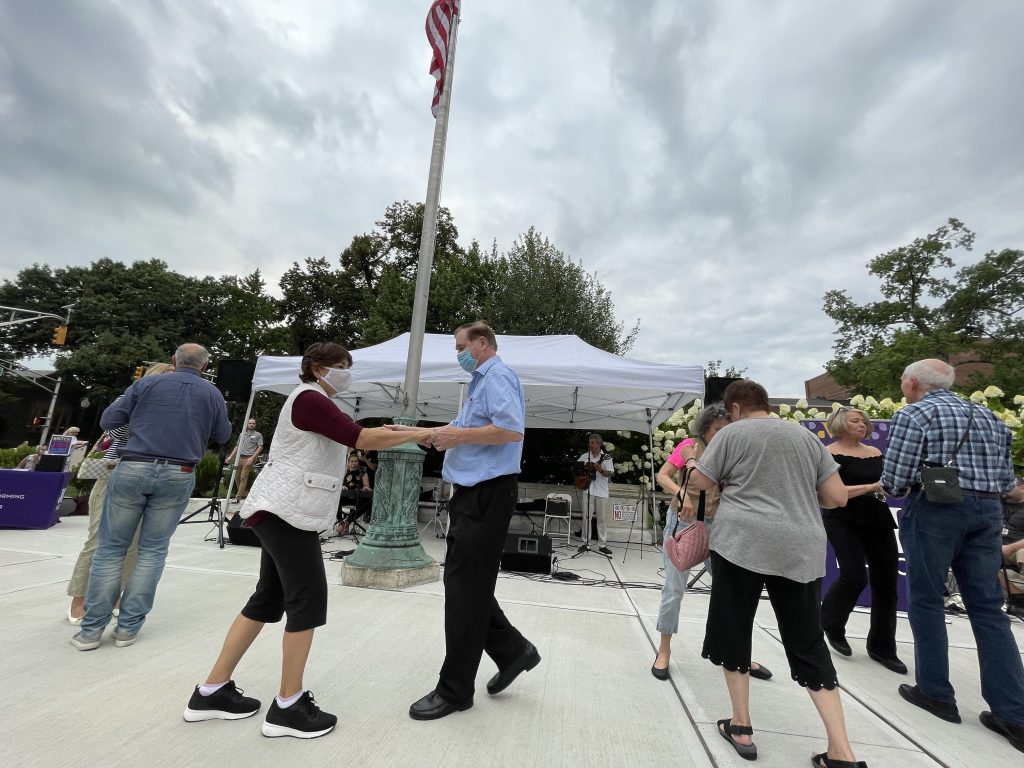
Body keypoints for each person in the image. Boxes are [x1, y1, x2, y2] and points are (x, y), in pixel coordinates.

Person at [184, 342, 433, 739]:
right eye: (338, 365)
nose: (345, 371)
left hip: (281, 511)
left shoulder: (316, 401)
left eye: (348, 365)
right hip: (285, 513)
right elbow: (361, 438)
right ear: (315, 369)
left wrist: (402, 431)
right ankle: (288, 706)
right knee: (308, 601)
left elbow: (360, 434)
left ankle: (211, 690)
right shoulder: (310, 399)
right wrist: (426, 433)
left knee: (268, 600)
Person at [688, 380, 865, 767]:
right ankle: (842, 751)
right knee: (807, 642)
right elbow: (836, 497)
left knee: (734, 629)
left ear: (734, 409)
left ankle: (741, 726)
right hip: (800, 548)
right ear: (767, 404)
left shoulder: (732, 434)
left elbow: (700, 481)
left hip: (742, 543)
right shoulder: (806, 438)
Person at [882, 359, 1024, 753]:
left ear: (912, 383)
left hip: (936, 510)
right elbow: (1008, 483)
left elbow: (895, 478)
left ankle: (936, 693)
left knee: (927, 600)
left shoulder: (916, 414)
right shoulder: (991, 417)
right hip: (988, 511)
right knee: (988, 609)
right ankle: (1014, 714)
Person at [408, 321, 540, 721]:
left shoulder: (497, 374)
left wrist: (456, 437)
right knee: (468, 585)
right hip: (476, 494)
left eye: (460, 346)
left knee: (465, 590)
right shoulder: (483, 381)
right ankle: (514, 651)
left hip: (487, 493)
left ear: (482, 344)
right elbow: (474, 429)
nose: (458, 354)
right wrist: (435, 434)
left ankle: (455, 690)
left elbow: (509, 430)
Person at [70, 344, 232, 652]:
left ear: (174, 360)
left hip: (133, 466)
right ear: (205, 366)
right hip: (180, 471)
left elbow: (108, 421)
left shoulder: (146, 383)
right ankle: (128, 629)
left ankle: (90, 632)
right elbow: (223, 435)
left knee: (110, 549)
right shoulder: (212, 394)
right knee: (153, 551)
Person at [651, 405, 772, 682]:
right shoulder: (690, 446)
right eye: (718, 428)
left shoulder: (734, 452)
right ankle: (664, 649)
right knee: (674, 589)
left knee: (731, 593)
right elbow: (663, 475)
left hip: (722, 527)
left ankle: (738, 655)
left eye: (727, 428)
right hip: (684, 523)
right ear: (705, 427)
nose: (722, 434)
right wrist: (682, 493)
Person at [66, 364, 174, 625]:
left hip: (150, 475)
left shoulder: (172, 410)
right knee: (98, 539)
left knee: (135, 544)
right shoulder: (127, 400)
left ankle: (115, 595)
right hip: (113, 473)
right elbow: (113, 429)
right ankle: (79, 598)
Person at [820, 406, 905, 674]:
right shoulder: (829, 454)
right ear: (839, 424)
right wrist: (871, 487)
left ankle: (882, 647)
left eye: (863, 421)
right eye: (855, 420)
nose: (862, 424)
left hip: (877, 517)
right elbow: (832, 492)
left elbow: (887, 484)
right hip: (842, 516)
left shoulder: (876, 453)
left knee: (886, 582)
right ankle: (832, 623)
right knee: (854, 576)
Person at [578, 433, 614, 555]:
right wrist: (583, 471)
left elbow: (609, 473)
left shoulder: (607, 457)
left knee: (602, 519)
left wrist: (601, 470)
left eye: (592, 443)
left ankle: (602, 545)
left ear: (599, 444)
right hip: (588, 490)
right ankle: (585, 543)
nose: (590, 445)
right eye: (589, 443)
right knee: (586, 517)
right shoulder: (584, 456)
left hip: (602, 491)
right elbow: (577, 470)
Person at [999, 480, 1024, 620]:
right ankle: (1019, 597)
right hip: (994, 548)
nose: (1004, 489)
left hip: (1017, 549)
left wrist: (1010, 548)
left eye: (1009, 486)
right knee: (979, 560)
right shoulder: (996, 503)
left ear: (1022, 487)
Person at [334, 452, 371, 537]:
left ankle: (348, 521)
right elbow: (337, 484)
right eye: (352, 461)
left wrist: (365, 488)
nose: (355, 463)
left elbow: (366, 486)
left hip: (357, 498)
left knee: (368, 501)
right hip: (345, 497)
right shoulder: (344, 472)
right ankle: (341, 521)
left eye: (356, 461)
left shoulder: (363, 473)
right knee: (335, 498)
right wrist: (342, 486)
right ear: (348, 463)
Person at [227, 418, 263, 503]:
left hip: (249, 458)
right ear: (247, 424)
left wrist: (252, 457)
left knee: (243, 477)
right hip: (240, 458)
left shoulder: (258, 435)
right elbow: (237, 446)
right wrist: (230, 457)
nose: (251, 425)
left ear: (255, 425)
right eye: (250, 423)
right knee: (236, 477)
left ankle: (237, 498)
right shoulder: (242, 434)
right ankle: (243, 492)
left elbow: (260, 447)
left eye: (253, 423)